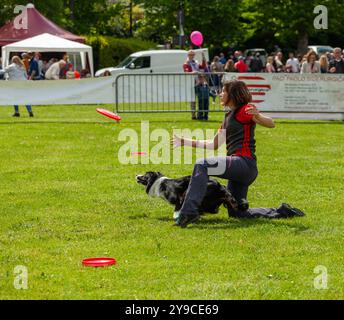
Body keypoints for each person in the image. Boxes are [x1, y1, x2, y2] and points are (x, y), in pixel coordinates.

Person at [172, 80, 305, 228]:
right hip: (240, 169)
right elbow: (214, 144)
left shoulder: (244, 110)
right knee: (237, 212)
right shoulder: (227, 117)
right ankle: (283, 211)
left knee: (202, 165)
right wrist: (185, 141)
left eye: (223, 91)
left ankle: (188, 212)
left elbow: (271, 123)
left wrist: (258, 116)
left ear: (232, 94)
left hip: (244, 164)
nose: (220, 94)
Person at [183, 50, 207, 120]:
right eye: (190, 54)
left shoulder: (196, 62)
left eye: (193, 54)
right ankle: (193, 115)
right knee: (192, 100)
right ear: (188, 55)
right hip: (191, 83)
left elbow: (203, 66)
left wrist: (203, 56)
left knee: (200, 99)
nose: (192, 56)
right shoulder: (186, 63)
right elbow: (186, 72)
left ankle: (200, 114)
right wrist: (193, 72)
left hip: (199, 82)